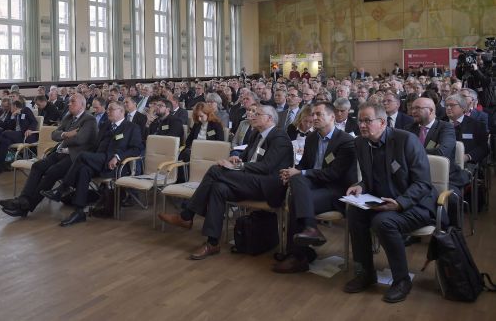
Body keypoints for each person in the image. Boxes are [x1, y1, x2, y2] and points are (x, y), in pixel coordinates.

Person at [158, 105, 293, 260]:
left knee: (216, 170)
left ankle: (187, 215)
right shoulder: (257, 134)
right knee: (218, 188)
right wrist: (237, 158)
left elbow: (267, 166)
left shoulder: (280, 137)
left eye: (258, 114)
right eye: (253, 113)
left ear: (269, 118)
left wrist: (238, 165)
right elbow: (248, 155)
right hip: (251, 181)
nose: (253, 116)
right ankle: (212, 242)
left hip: (269, 186)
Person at [344, 102, 437, 303]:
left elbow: (423, 184)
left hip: (415, 204)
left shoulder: (406, 141)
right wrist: (361, 186)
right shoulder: (361, 143)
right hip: (382, 200)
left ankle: (402, 280)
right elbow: (370, 179)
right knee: (354, 213)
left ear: (383, 122)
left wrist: (400, 203)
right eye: (360, 121)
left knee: (383, 222)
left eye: (367, 121)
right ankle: (366, 273)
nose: (362, 125)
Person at [274, 102, 357, 273]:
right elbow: (303, 165)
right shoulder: (311, 138)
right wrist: (292, 172)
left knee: (296, 196)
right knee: (296, 181)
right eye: (313, 114)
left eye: (319, 114)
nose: (314, 118)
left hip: (336, 191)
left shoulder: (346, 141)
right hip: (313, 186)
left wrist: (299, 173)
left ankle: (297, 255)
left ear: (332, 117)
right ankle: (307, 238)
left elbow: (334, 175)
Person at [41, 101, 143, 227]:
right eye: (108, 109)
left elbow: (136, 149)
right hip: (99, 161)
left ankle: (63, 188)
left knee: (82, 155)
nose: (108, 111)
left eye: (111, 109)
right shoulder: (105, 125)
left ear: (121, 111)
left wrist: (117, 157)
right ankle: (79, 212)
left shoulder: (131, 127)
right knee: (84, 169)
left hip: (116, 165)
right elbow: (95, 145)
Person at [0, 93, 98, 218]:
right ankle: (23, 199)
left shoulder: (89, 119)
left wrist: (64, 136)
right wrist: (66, 134)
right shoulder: (68, 117)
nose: (69, 103)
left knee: (52, 172)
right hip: (59, 152)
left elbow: (80, 139)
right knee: (37, 166)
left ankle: (27, 206)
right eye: (69, 101)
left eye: (73, 102)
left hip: (74, 157)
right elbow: (54, 134)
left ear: (82, 105)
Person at [0, 99, 39, 172]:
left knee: (5, 133)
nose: (10, 108)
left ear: (15, 106)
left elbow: (34, 121)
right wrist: (12, 117)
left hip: (26, 135)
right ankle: (0, 167)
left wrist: (30, 129)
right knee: (5, 141)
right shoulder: (14, 115)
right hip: (17, 135)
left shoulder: (25, 110)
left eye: (11, 107)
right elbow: (9, 127)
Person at [444, 93, 488, 165]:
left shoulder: (476, 125)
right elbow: (432, 142)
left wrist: (468, 157)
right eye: (446, 105)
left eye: (452, 105)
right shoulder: (440, 123)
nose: (448, 108)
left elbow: (484, 148)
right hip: (443, 162)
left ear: (463, 107)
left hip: (467, 164)